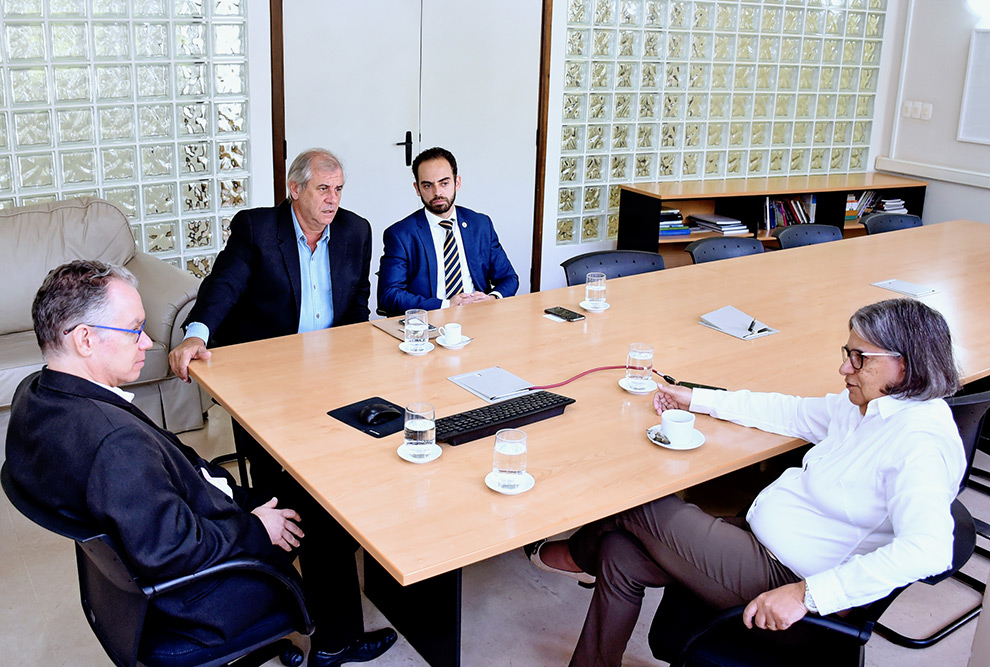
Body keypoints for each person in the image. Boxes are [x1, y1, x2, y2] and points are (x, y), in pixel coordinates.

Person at [528, 298, 966, 666]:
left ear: (903, 367)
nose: (843, 367)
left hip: (788, 579)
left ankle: (573, 553)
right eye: (847, 352)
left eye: (859, 357)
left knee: (638, 500)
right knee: (620, 551)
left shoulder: (919, 442)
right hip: (759, 542)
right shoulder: (866, 405)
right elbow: (789, 412)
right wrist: (696, 398)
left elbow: (927, 549)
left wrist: (806, 594)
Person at [6, 261, 395, 667]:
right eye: (135, 329)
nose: (147, 341)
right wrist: (257, 528)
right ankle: (336, 643)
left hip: (170, 523)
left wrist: (224, 488)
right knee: (329, 508)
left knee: (306, 486)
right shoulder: (114, 444)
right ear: (84, 339)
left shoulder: (35, 393)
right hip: (195, 598)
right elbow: (173, 549)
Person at [169, 148, 372, 490]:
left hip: (330, 362)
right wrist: (196, 335)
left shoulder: (355, 230)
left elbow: (357, 300)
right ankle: (273, 514)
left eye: (338, 189)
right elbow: (224, 285)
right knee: (275, 464)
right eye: (323, 189)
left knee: (354, 439)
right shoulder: (256, 228)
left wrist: (352, 354)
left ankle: (334, 505)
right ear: (295, 189)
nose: (332, 200)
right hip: (267, 364)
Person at [377, 147, 518, 316]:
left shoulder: (480, 225)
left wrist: (493, 298)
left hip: (479, 317)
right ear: (417, 188)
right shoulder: (401, 235)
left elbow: (508, 278)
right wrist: (445, 305)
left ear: (457, 182)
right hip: (430, 322)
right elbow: (389, 294)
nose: (437, 192)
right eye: (428, 185)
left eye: (444, 183)